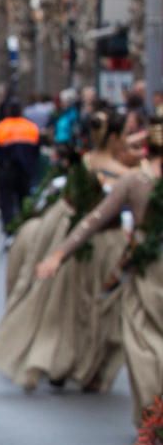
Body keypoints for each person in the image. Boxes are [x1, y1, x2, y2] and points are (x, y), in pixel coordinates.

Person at [0, 109, 134, 392]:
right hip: (102, 244)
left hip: (78, 241)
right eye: (124, 134)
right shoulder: (119, 174)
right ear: (114, 137)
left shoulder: (84, 163)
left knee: (73, 306)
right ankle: (83, 364)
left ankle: (67, 360)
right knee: (98, 309)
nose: (127, 140)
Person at [35, 117, 163, 427]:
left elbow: (93, 220)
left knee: (143, 345)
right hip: (148, 268)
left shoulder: (135, 181)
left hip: (148, 270)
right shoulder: (133, 180)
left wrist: (59, 253)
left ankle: (152, 415)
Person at [0, 101, 41, 233]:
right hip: (25, 170)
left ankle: (9, 227)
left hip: (7, 170)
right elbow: (36, 150)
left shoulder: (0, 128)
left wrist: (1, 163)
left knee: (6, 200)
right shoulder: (31, 127)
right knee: (24, 198)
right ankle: (25, 225)